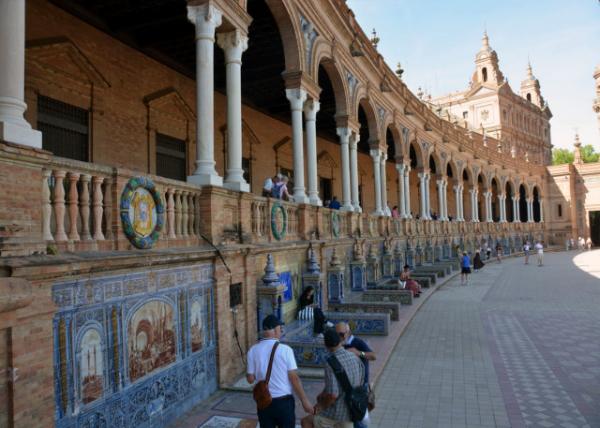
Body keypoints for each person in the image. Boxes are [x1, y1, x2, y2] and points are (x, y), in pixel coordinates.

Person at [247, 315, 313, 427]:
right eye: (280, 328)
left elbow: (250, 379)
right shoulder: (286, 350)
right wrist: (304, 400)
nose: (281, 330)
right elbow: (294, 378)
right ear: (275, 330)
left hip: (264, 402)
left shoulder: (253, 350)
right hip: (283, 403)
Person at [307, 329, 365, 428]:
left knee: (306, 421)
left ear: (326, 346)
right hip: (354, 410)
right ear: (340, 340)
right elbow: (361, 381)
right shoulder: (355, 357)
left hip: (338, 414)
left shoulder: (330, 363)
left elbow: (333, 395)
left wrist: (321, 407)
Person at [336, 322, 376, 428]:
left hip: (360, 386)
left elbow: (373, 356)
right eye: (337, 335)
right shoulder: (339, 345)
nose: (339, 337)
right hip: (347, 386)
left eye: (341, 334)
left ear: (348, 332)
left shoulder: (358, 342)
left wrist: (359, 353)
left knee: (359, 417)